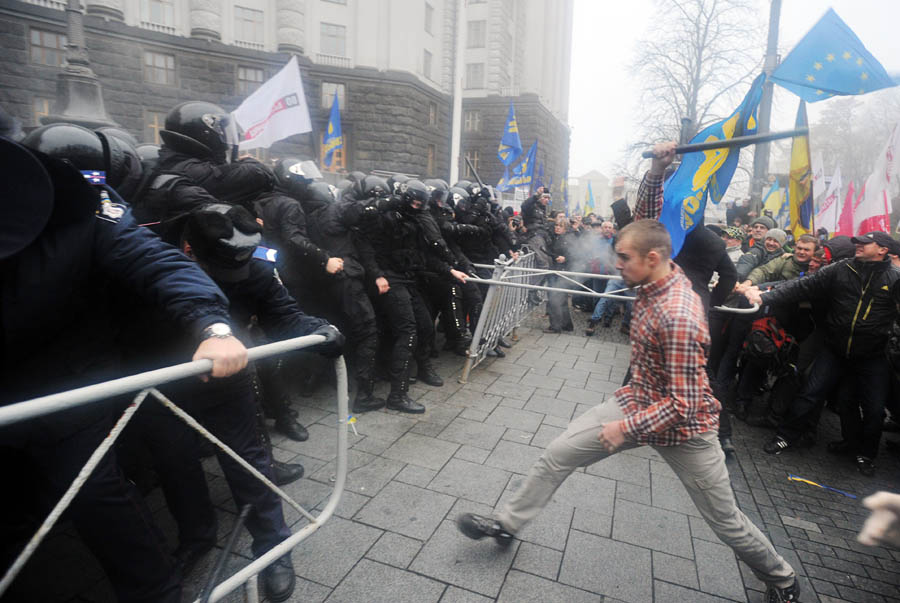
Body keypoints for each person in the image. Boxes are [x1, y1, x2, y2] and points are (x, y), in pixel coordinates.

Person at [456, 217, 799, 603]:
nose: (616, 264)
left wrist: (626, 429)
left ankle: (782, 578)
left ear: (652, 259)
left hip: (687, 432)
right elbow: (648, 217)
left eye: (623, 257)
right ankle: (506, 525)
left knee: (726, 523)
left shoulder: (680, 316)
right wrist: (655, 171)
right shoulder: (657, 270)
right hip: (638, 398)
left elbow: (684, 405)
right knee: (557, 455)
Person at [1, 136, 248, 603]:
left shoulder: (91, 204)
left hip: (69, 378)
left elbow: (156, 260)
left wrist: (214, 326)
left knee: (96, 493)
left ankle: (161, 589)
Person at [744, 231, 900, 476]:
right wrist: (765, 296)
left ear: (882, 249)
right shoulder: (841, 268)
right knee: (809, 392)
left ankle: (865, 454)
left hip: (872, 355)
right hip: (835, 349)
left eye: (864, 243)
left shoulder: (895, 278)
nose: (857, 245)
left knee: (872, 408)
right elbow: (801, 286)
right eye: (856, 242)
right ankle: (786, 436)